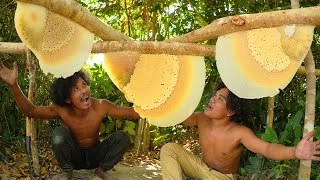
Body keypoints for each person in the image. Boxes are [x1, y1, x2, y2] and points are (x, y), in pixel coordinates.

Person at [0, 60, 140, 180]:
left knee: (122, 137)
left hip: (96, 154)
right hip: (75, 156)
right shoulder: (62, 110)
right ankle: (67, 171)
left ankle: (101, 170)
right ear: (67, 99)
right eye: (76, 89)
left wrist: (154, 99)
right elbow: (30, 111)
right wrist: (14, 85)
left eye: (84, 85)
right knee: (58, 134)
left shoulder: (102, 106)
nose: (84, 90)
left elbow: (133, 113)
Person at [160, 81, 320, 180]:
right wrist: (147, 106)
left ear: (231, 111)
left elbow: (267, 148)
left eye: (220, 99)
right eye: (215, 96)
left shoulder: (239, 132)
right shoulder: (201, 118)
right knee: (169, 149)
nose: (212, 99)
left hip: (221, 178)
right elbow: (175, 115)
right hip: (199, 168)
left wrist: (295, 152)